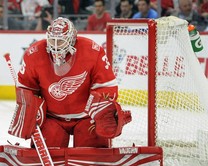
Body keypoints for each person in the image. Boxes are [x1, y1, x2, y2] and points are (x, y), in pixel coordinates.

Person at [9, 17, 131, 149]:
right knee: (51, 148)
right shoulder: (34, 53)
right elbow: (26, 89)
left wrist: (99, 110)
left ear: (72, 39)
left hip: (86, 117)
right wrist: (32, 109)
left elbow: (107, 86)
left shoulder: (92, 50)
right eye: (52, 40)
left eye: (61, 41)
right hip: (52, 118)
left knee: (91, 154)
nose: (56, 45)